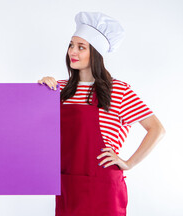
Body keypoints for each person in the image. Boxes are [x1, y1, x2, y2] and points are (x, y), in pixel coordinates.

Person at [38, 12, 165, 216]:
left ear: (95, 53)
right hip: (68, 186)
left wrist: (128, 163)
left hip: (104, 188)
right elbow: (34, 129)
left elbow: (157, 129)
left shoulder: (118, 90)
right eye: (71, 45)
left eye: (81, 47)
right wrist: (39, 91)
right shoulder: (58, 89)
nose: (73, 51)